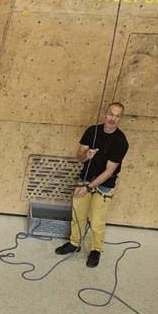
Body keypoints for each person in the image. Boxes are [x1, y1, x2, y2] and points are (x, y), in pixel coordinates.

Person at [55, 102, 129, 268]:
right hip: (85, 179)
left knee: (97, 221)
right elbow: (79, 157)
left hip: (104, 185)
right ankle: (75, 243)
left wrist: (88, 188)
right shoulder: (91, 131)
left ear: (120, 118)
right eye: (111, 114)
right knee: (78, 215)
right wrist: (86, 155)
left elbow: (109, 171)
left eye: (117, 116)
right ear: (105, 114)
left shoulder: (121, 142)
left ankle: (96, 250)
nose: (113, 119)